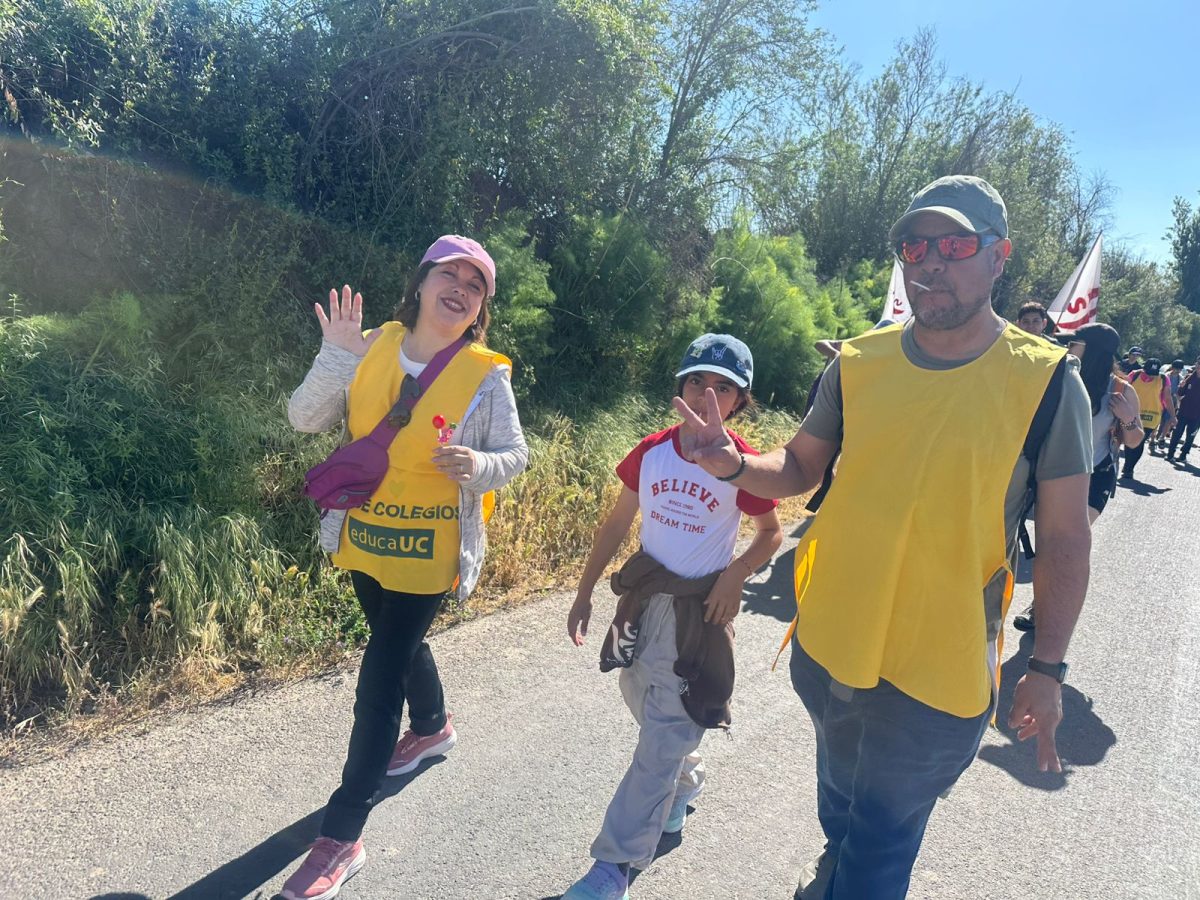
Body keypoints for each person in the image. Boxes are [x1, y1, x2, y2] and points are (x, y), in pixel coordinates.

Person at [674, 175, 1092, 900]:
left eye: (957, 243)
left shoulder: (1048, 383)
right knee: (840, 807)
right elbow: (803, 464)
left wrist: (1047, 668)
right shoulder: (858, 362)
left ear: (1000, 257)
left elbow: (1062, 542)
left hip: (940, 671)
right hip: (830, 644)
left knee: (881, 839)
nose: (932, 260)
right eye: (915, 245)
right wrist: (733, 462)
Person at [282, 235, 529, 900]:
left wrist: (479, 468)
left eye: (475, 284)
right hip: (364, 536)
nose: (460, 287)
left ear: (481, 307)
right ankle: (433, 727)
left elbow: (514, 455)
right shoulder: (376, 344)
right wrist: (336, 354)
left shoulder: (486, 374)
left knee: (379, 675)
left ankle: (341, 836)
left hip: (430, 551)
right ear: (420, 282)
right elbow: (306, 419)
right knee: (399, 644)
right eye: (448, 273)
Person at [561, 334, 782, 900]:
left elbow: (770, 535)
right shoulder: (651, 451)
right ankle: (684, 783)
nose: (707, 394)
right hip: (644, 600)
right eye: (696, 382)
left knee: (661, 740)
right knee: (639, 699)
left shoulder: (744, 465)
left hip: (699, 614)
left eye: (723, 387)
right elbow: (616, 524)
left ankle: (613, 867)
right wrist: (585, 591)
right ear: (680, 388)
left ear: (740, 399)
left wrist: (734, 577)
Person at [1013, 322, 1142, 631]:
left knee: (1064, 543)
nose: (1069, 347)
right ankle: (1041, 602)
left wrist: (1126, 419)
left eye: (1076, 343)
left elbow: (1135, 440)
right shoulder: (1059, 378)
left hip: (1095, 475)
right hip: (1053, 473)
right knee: (1047, 544)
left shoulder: (1122, 390)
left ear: (1093, 350)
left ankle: (1038, 609)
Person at [1122, 357, 1174, 477]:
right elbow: (1123, 390)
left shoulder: (1163, 378)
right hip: (1132, 414)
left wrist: (1172, 416)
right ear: (1144, 368)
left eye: (1154, 374)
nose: (1152, 376)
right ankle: (1128, 465)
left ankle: (1129, 468)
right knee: (1129, 440)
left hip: (1152, 417)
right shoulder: (1134, 375)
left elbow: (1167, 398)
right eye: (1149, 373)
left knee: (1140, 442)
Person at [1167, 357, 1200, 463]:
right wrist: (1181, 387)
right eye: (1198, 365)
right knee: (1176, 433)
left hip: (1197, 415)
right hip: (1183, 412)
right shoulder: (1189, 377)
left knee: (1190, 437)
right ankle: (1170, 454)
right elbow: (1180, 393)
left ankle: (1183, 455)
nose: (1199, 367)